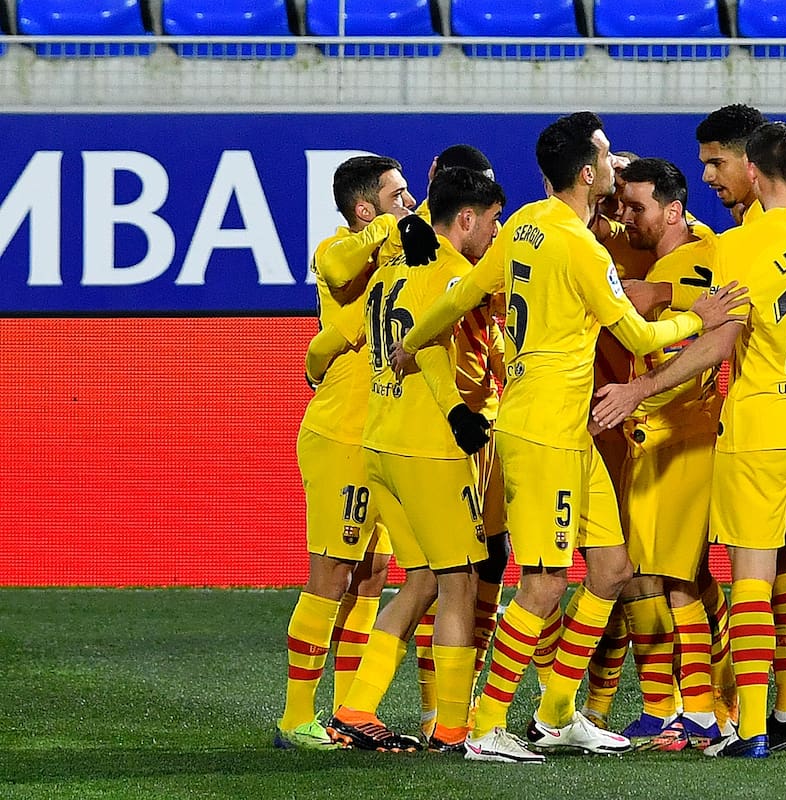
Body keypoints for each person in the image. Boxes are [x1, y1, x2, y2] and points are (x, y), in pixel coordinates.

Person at [392, 111, 747, 764]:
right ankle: (485, 725)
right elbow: (638, 336)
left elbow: (464, 293)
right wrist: (694, 318)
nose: (616, 162)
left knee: (611, 569)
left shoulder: (526, 224)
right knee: (547, 583)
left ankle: (557, 714)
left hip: (568, 429)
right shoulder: (580, 248)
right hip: (544, 433)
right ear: (587, 173)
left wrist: (411, 340)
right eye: (607, 155)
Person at [592, 122, 786, 759]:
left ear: (755, 175)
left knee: (752, 583)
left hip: (759, 429)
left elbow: (719, 339)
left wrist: (642, 391)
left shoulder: (739, 246)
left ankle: (754, 729)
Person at [329, 167, 505, 754]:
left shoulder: (389, 270)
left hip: (379, 442)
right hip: (427, 448)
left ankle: (356, 705)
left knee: (423, 579)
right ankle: (454, 729)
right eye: (494, 219)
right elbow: (427, 346)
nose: (497, 231)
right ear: (466, 219)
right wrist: (458, 412)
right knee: (459, 586)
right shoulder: (454, 272)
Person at [275, 155, 414, 751]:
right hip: (341, 434)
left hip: (379, 435)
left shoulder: (405, 256)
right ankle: (295, 718)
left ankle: (344, 710)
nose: (408, 203)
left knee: (373, 573)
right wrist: (385, 237)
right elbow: (336, 280)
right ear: (367, 209)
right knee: (332, 571)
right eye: (397, 195)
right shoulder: (341, 248)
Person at [605, 157, 727, 751]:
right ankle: (669, 706)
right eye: (623, 206)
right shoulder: (679, 250)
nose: (628, 218)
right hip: (652, 436)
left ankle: (704, 712)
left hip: (688, 434)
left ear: (673, 210)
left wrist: (660, 291)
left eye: (638, 208)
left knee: (676, 579)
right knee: (646, 576)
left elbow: (714, 291)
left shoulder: (694, 261)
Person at [695, 104, 786, 225]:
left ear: (751, 159)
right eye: (705, 164)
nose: (707, 177)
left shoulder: (772, 218)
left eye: (717, 163)